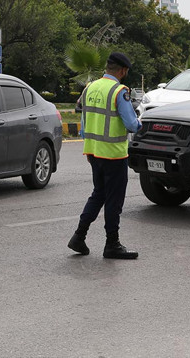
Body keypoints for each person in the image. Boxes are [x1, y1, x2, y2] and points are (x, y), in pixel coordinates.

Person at [68, 52, 142, 259]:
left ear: (107, 67)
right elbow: (131, 124)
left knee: (99, 193)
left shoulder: (90, 87)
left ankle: (79, 236)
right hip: (114, 155)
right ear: (123, 71)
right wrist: (140, 122)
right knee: (113, 200)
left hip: (93, 152)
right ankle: (112, 244)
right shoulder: (119, 91)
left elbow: (83, 117)